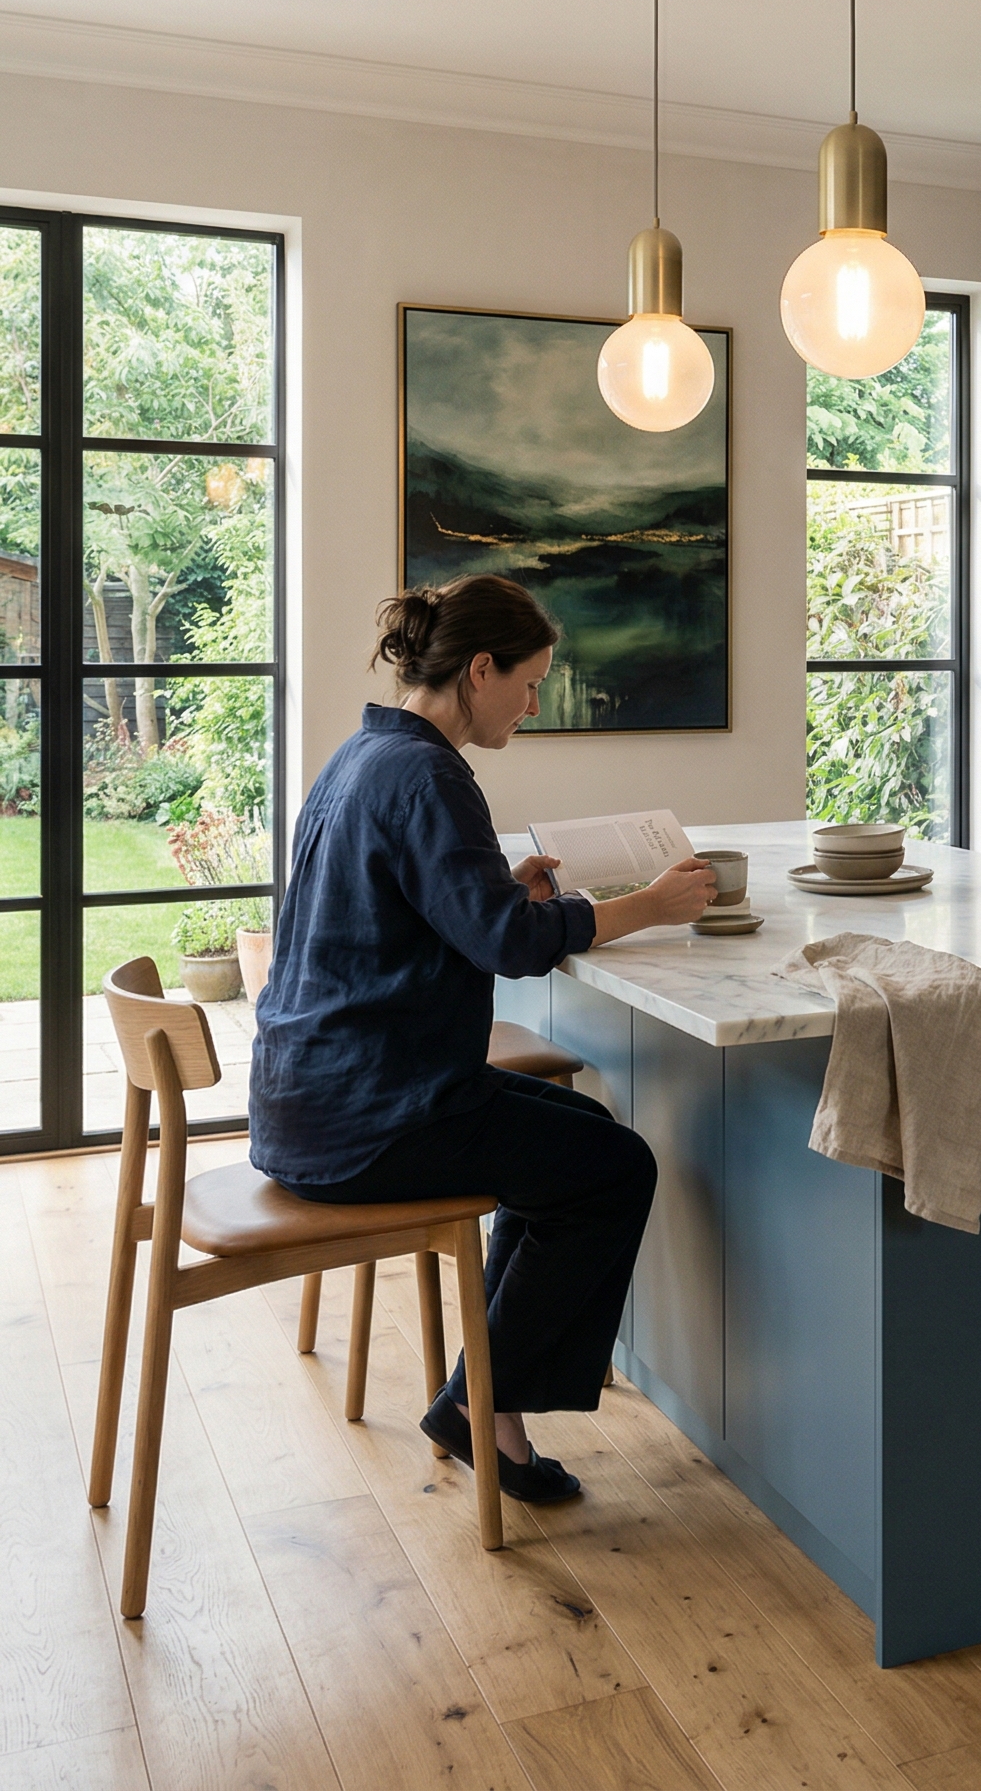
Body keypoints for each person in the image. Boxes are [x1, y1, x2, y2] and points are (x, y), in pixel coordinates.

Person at [248, 574, 718, 1502]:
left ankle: (486, 1407)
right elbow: (510, 948)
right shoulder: (430, 775)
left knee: (572, 1142)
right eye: (530, 682)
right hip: (374, 1117)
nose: (535, 704)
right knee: (613, 1169)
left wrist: (505, 884)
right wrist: (644, 906)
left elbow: (430, 909)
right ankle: (480, 1404)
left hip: (319, 1096)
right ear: (478, 670)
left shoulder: (365, 755)